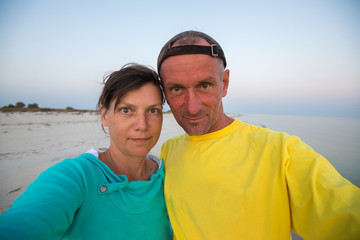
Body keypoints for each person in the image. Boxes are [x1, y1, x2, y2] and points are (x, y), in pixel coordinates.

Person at [157, 30, 360, 240]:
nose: (192, 107)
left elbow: (347, 215)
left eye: (205, 86)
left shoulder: (280, 151)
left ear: (224, 83)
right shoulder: (168, 150)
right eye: (177, 89)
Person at [0, 63, 172, 239]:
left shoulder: (168, 175)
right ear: (105, 116)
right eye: (126, 110)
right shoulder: (76, 177)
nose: (142, 125)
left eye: (153, 110)